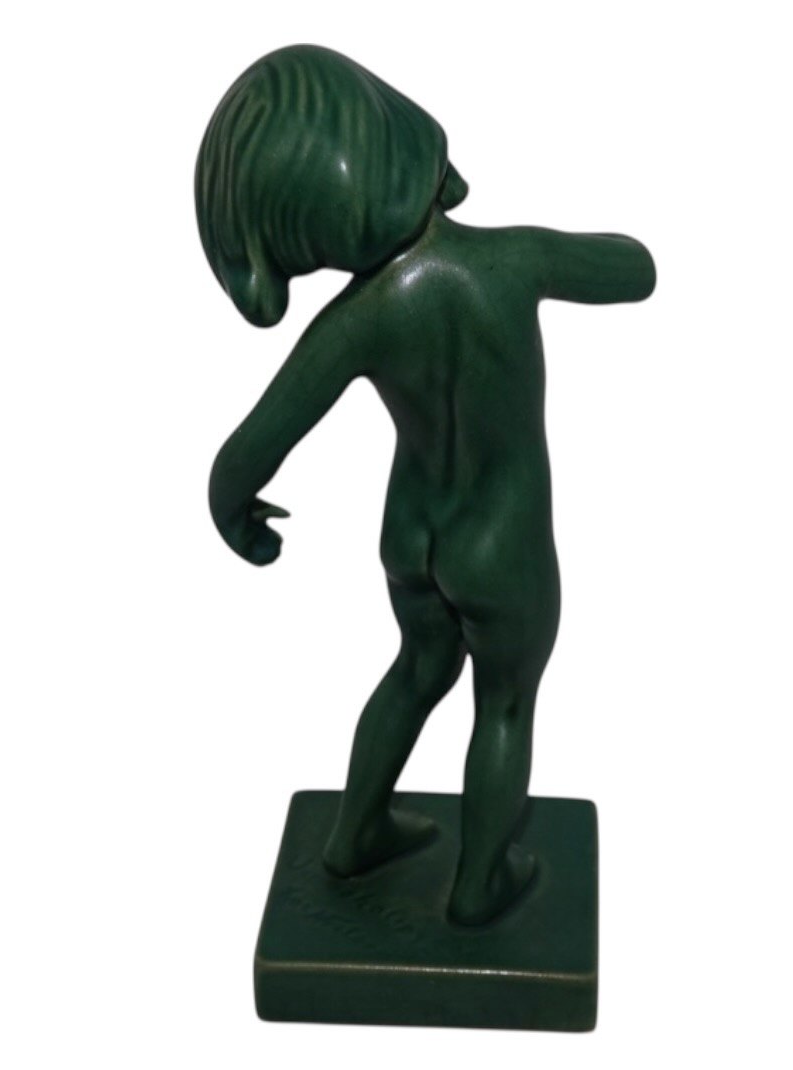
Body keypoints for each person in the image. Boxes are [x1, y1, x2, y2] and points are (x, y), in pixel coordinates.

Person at [198, 45, 654, 925]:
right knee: (505, 703)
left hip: (412, 538)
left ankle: (355, 833)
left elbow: (248, 451)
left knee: (416, 669)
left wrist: (237, 516)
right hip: (502, 541)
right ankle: (480, 887)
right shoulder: (517, 260)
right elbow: (636, 269)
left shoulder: (356, 321)